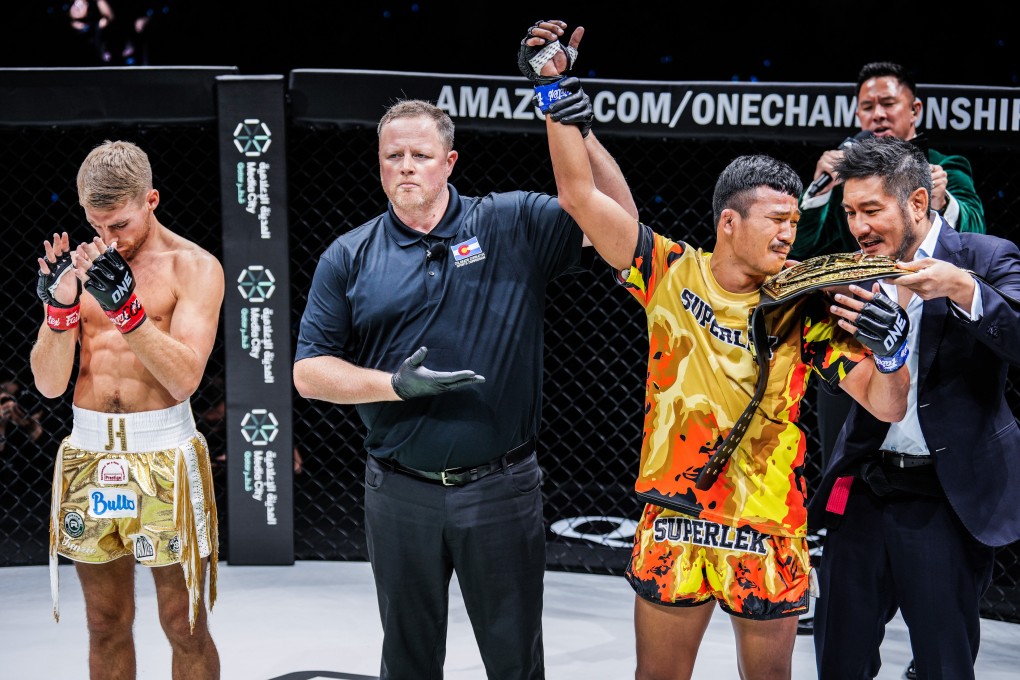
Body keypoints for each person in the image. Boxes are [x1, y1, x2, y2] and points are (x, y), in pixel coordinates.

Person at [541, 45, 914, 680]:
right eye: (776, 221)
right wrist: (556, 101)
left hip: (766, 525)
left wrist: (894, 349)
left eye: (794, 224)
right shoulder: (668, 271)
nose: (788, 236)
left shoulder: (804, 301)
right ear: (729, 222)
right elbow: (580, 196)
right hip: (677, 516)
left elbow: (887, 402)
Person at [292, 20, 637, 680]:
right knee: (409, 660)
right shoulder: (350, 254)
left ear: (449, 161)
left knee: (513, 660)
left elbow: (617, 223)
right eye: (393, 156)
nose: (405, 167)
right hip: (397, 492)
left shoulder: (509, 220)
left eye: (420, 155)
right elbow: (310, 373)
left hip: (501, 489)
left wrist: (565, 108)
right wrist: (394, 385)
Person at [790, 62, 990, 645]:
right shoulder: (845, 179)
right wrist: (820, 190)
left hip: (936, 351)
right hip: (853, 354)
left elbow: (972, 229)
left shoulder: (946, 169)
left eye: (889, 105)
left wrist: (940, 198)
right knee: (844, 468)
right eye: (867, 107)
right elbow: (803, 251)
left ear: (914, 113)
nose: (877, 115)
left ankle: (941, 608)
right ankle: (844, 594)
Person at [808, 135, 1020, 680]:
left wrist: (964, 290)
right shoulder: (854, 270)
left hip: (948, 494)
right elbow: (836, 375)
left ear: (918, 204)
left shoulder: (986, 256)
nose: (858, 227)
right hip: (867, 482)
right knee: (839, 659)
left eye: (871, 211)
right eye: (851, 212)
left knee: (943, 665)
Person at [30, 140, 223, 679]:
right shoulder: (82, 269)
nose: (109, 239)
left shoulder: (196, 268)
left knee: (183, 622)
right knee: (105, 620)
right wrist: (60, 311)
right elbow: (47, 385)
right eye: (98, 225)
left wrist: (127, 311)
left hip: (163, 450)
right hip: (90, 453)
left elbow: (184, 379)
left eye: (120, 224)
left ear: (151, 200)